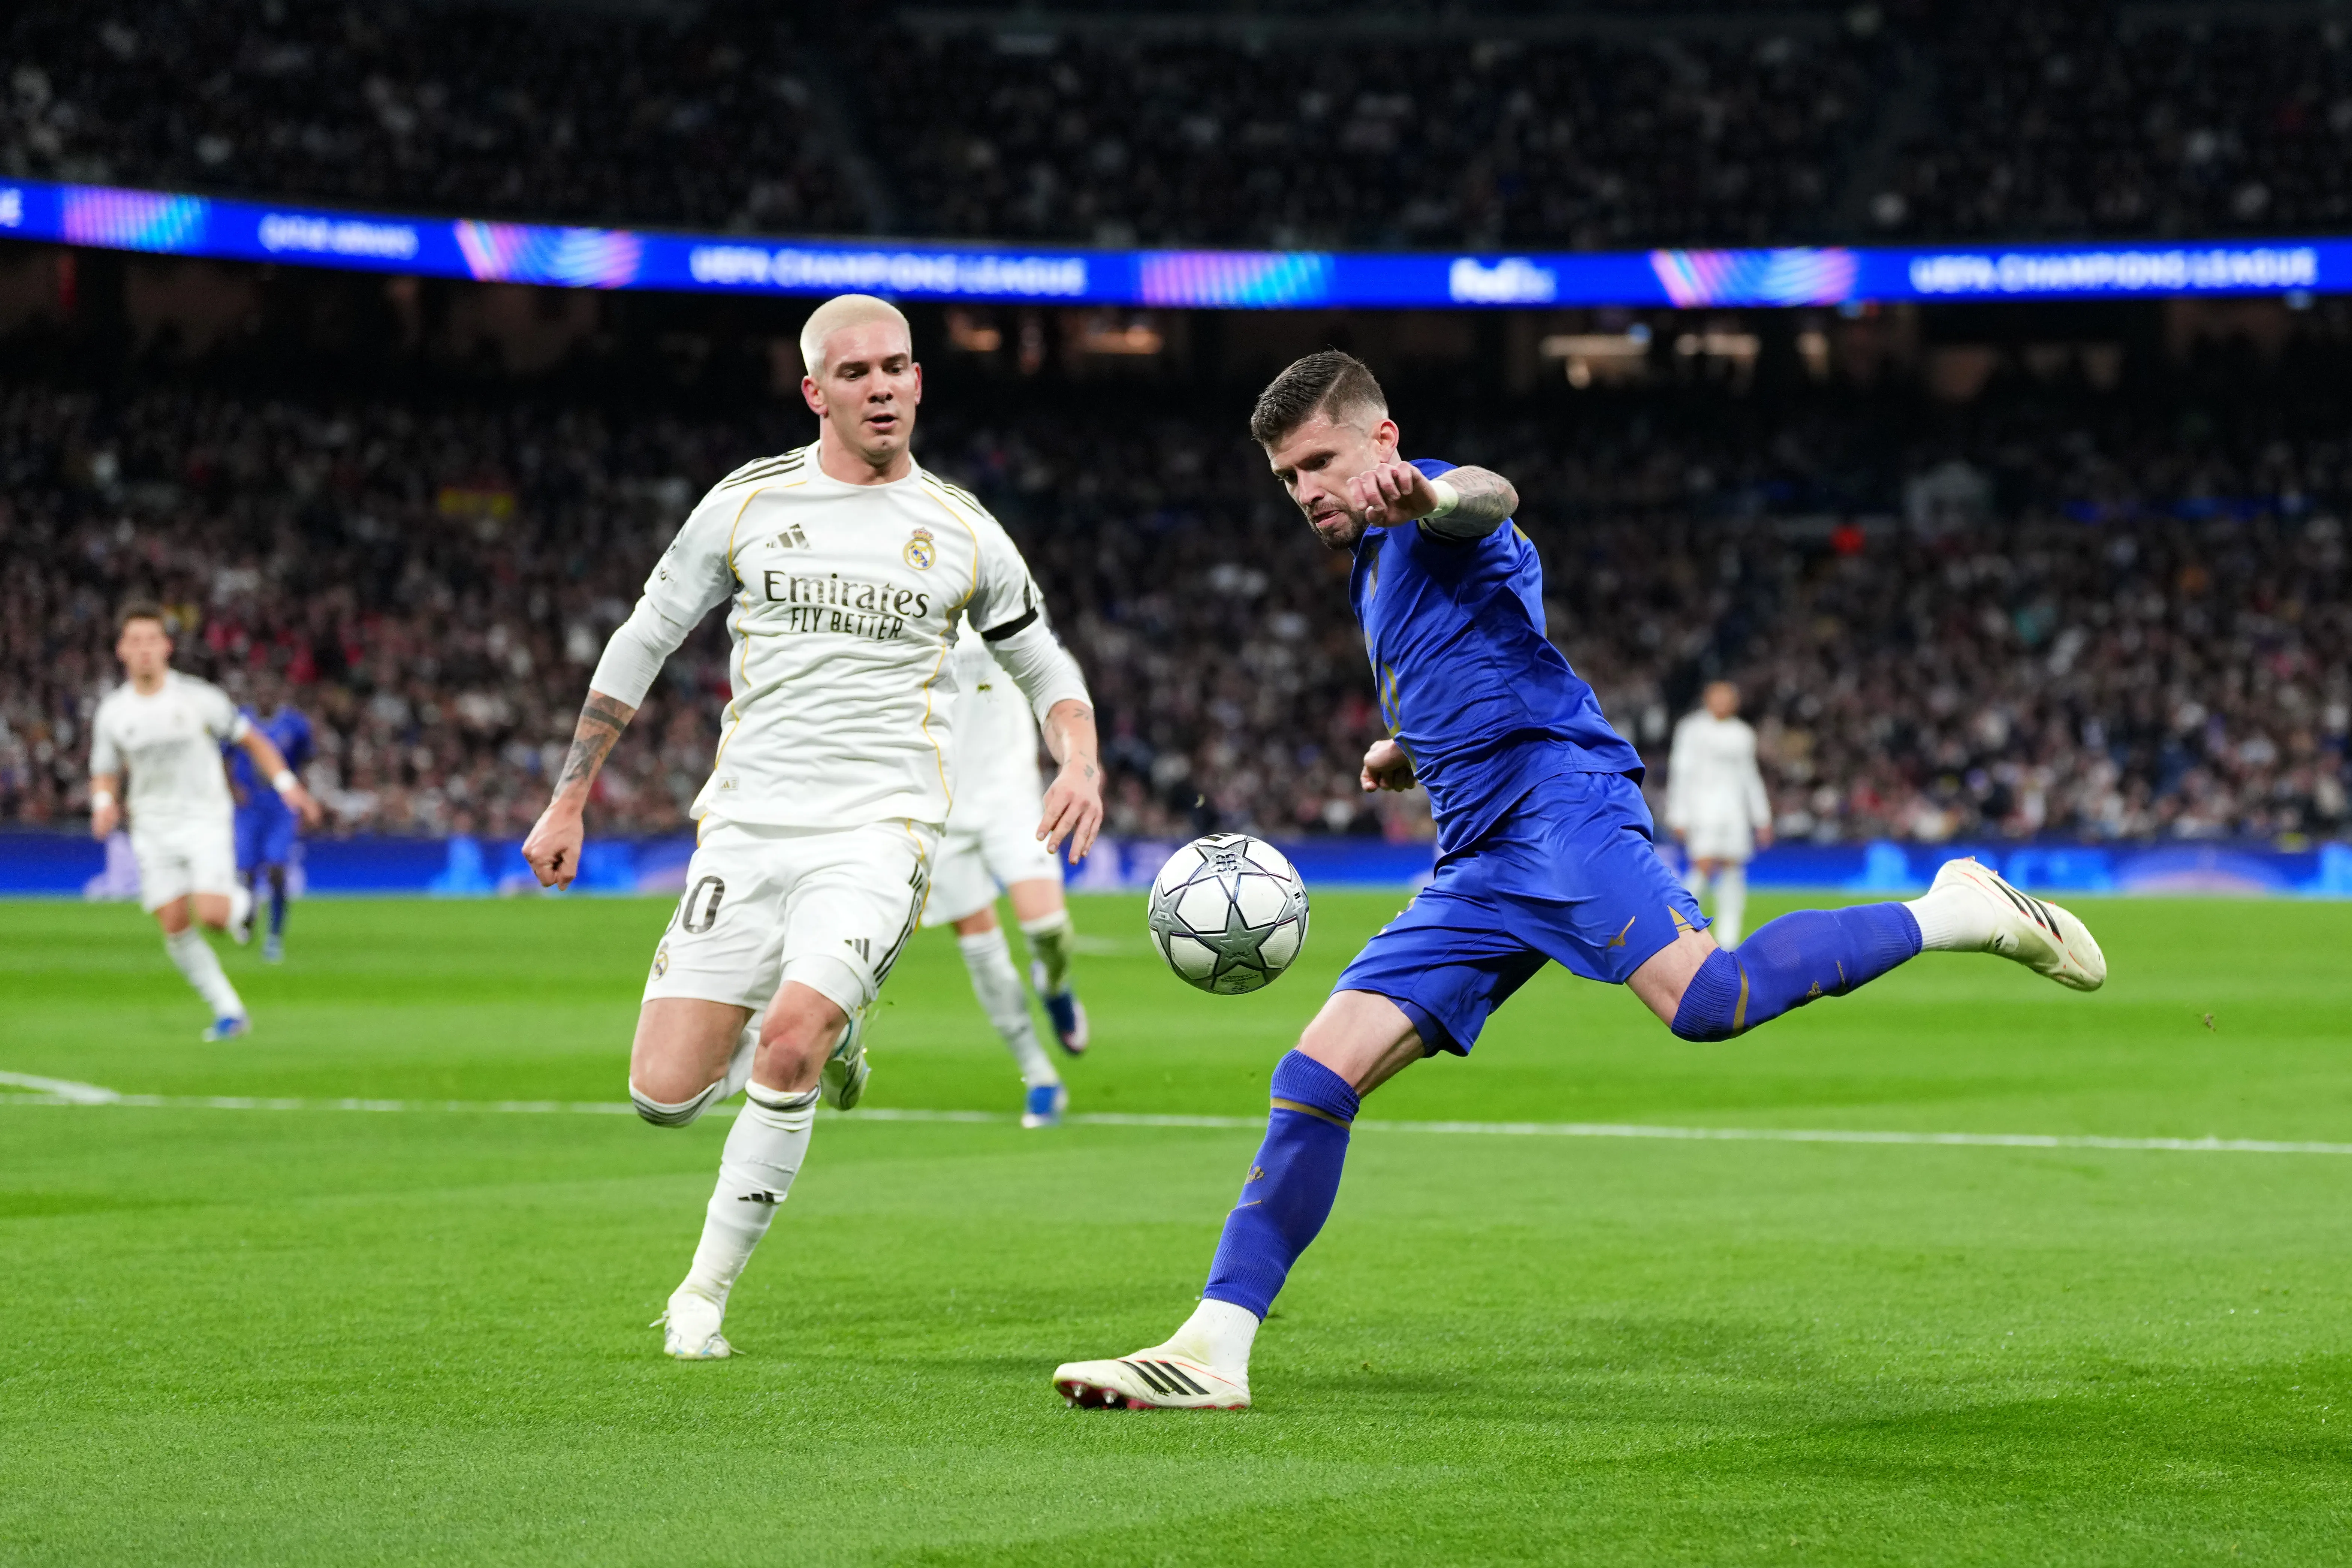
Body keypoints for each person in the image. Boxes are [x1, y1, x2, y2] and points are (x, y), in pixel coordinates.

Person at [1051, 350, 2106, 1411]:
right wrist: (1410, 748)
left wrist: (1434, 493)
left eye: (1320, 461)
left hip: (1558, 808)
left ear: (1382, 440)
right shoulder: (1373, 569)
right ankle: (1213, 1348)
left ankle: (1955, 909)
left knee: (1709, 1002)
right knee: (1315, 1076)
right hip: (1474, 856)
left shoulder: (1430, 514)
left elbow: (1489, 502)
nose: (1307, 492)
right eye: (1287, 479)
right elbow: (1476, 665)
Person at [519, 294, 1102, 1362]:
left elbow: (1043, 661)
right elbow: (642, 639)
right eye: (856, 373)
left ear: (920, 381)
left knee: (787, 1044)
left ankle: (700, 1296)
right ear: (814, 392)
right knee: (662, 1099)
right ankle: (834, 1032)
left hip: (879, 835)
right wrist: (570, 796)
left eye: (897, 368)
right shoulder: (745, 505)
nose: (881, 387)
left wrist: (1080, 751)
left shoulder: (965, 530)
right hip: (745, 831)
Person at [88, 603, 323, 1040]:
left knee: (212, 914)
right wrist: (104, 801)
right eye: (134, 641)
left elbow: (253, 740)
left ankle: (245, 907)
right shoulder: (113, 712)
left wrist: (288, 784)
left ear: (167, 647)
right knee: (175, 923)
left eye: (151, 640)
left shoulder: (199, 698)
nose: (143, 650)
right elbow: (104, 768)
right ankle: (230, 1012)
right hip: (151, 827)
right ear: (122, 649)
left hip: (204, 818)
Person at [919, 618, 1092, 1130]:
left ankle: (1055, 984)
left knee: (1048, 931)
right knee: (984, 957)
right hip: (940, 809)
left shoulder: (1000, 606)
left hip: (1011, 800)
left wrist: (1076, 759)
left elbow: (1058, 680)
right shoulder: (903, 612)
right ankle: (1041, 1080)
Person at [1664, 680, 1773, 948]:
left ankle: (1729, 940)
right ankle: (1679, 929)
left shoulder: (1743, 733)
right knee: (1701, 866)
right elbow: (1681, 772)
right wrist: (1678, 814)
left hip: (1734, 812)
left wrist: (1762, 817)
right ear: (1707, 699)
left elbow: (1750, 777)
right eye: (1718, 697)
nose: (1723, 703)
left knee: (1733, 869)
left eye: (1728, 698)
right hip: (1702, 810)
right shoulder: (1691, 729)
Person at [228, 672, 317, 963]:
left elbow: (304, 762)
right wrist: (232, 788)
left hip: (280, 807)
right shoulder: (240, 720)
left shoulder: (296, 725)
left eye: (271, 692)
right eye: (260, 692)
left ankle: (275, 937)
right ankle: (249, 915)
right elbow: (222, 756)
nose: (265, 698)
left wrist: (302, 796)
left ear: (279, 695)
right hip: (249, 807)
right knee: (247, 873)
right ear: (255, 695)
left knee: (278, 869)